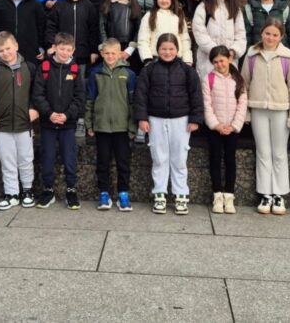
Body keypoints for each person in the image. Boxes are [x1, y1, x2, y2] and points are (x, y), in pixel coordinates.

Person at [135, 33, 203, 215]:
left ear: (177, 50)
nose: (167, 52)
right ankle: (159, 194)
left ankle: (181, 194)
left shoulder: (187, 70)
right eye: (163, 48)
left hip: (181, 119)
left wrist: (195, 119)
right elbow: (140, 95)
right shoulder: (149, 70)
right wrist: (142, 118)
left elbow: (196, 95)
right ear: (157, 50)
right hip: (155, 119)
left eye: (171, 48)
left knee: (179, 158)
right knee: (159, 157)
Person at [242, 19, 290, 215]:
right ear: (262, 33)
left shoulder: (287, 57)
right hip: (258, 108)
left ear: (281, 37)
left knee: (279, 153)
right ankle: (265, 194)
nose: (270, 38)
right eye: (267, 33)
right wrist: (245, 113)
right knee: (263, 152)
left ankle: (279, 194)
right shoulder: (252, 55)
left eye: (275, 35)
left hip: (280, 109)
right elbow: (244, 85)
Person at [0, 31, 38, 210]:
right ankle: (11, 193)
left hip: (24, 124)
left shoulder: (29, 68)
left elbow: (38, 91)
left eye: (8, 48)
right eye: (1, 50)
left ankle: (27, 191)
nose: (5, 53)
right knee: (7, 161)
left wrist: (34, 108)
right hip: (1, 125)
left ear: (16, 46)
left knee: (26, 159)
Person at [32, 33, 86, 210]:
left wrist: (68, 114)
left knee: (69, 158)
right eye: (62, 49)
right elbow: (38, 95)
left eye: (68, 50)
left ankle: (71, 190)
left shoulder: (75, 69)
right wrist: (49, 113)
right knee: (47, 157)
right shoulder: (45, 67)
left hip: (67, 124)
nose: (65, 53)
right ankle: (48, 190)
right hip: (48, 123)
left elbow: (80, 97)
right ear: (54, 48)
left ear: (73, 50)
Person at [85, 38, 137, 211]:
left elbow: (133, 103)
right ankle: (104, 193)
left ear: (120, 53)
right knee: (103, 162)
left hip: (122, 127)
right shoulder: (95, 73)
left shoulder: (129, 74)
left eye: (113, 53)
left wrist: (132, 126)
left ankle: (123, 194)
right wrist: (89, 124)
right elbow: (90, 100)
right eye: (106, 53)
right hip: (102, 127)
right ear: (101, 54)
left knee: (123, 163)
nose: (110, 56)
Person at [202, 45, 248, 214]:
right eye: (215, 62)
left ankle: (229, 196)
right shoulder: (208, 79)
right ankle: (217, 195)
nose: (219, 65)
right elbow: (206, 104)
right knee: (215, 160)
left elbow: (242, 104)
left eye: (222, 60)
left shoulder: (238, 79)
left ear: (229, 59)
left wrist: (234, 126)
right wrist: (216, 125)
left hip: (232, 128)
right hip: (215, 128)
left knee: (230, 160)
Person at [191, 0, 247, 79]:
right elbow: (199, 31)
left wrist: (233, 51)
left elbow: (241, 34)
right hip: (208, 59)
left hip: (229, 60)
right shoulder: (204, 6)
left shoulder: (235, 9)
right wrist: (215, 52)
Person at [45, 0, 100, 68]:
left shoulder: (88, 6)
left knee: (80, 77)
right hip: (62, 54)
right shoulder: (59, 5)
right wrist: (51, 45)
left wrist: (94, 50)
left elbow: (93, 30)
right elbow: (51, 27)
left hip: (83, 55)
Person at [137, 0, 193, 65]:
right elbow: (143, 40)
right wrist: (147, 60)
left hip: (177, 59)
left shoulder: (178, 16)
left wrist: (187, 60)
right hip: (156, 59)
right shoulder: (149, 16)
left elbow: (185, 39)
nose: (164, 0)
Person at [99, 0, 143, 74]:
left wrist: (130, 49)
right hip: (111, 47)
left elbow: (139, 29)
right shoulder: (106, 5)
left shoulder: (134, 6)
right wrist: (106, 46)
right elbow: (101, 27)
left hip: (128, 49)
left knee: (128, 75)